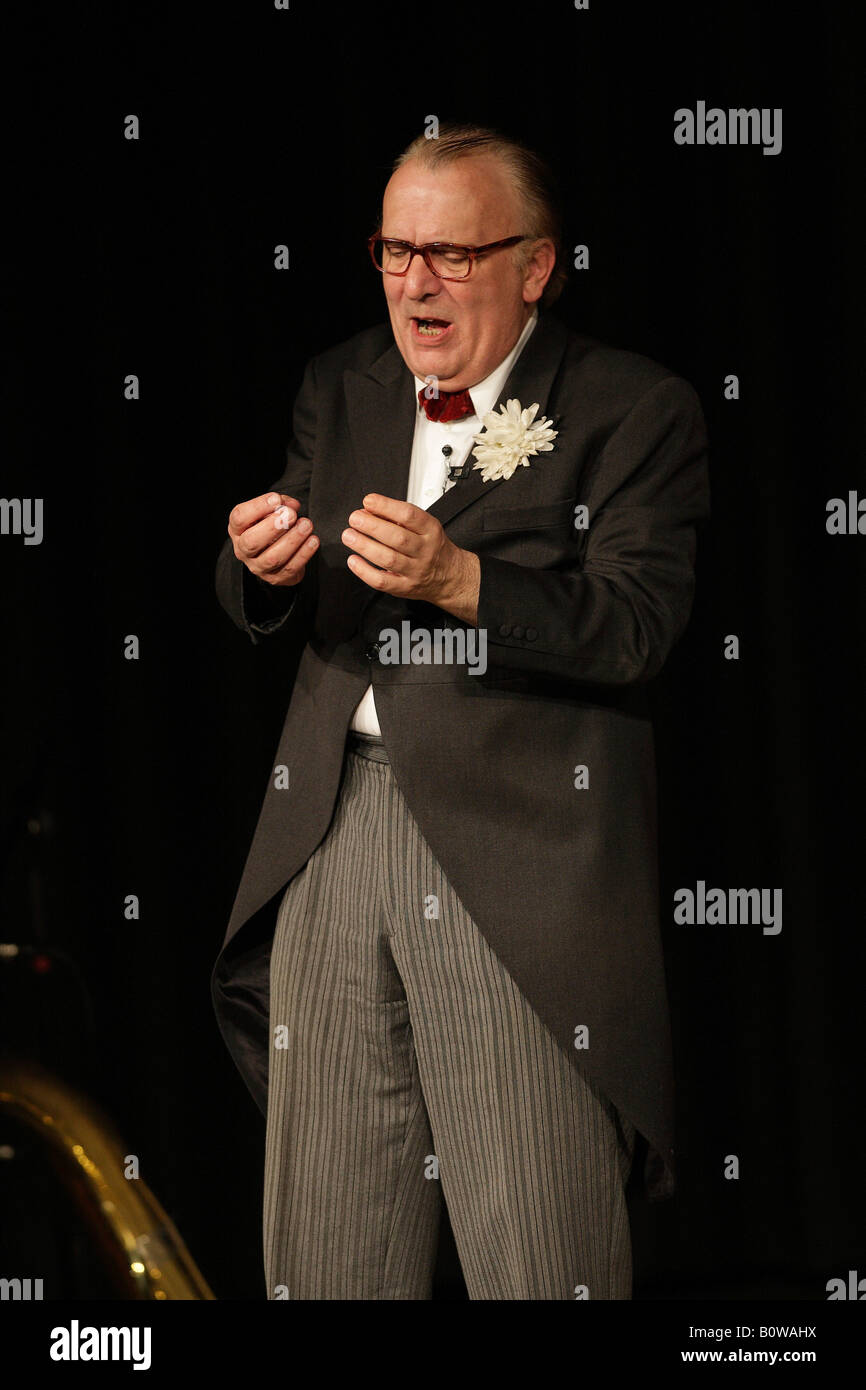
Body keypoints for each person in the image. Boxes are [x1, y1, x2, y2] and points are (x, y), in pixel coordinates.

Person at [211, 123, 710, 1300]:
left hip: (512, 852)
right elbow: (285, 569)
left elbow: (635, 624)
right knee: (325, 1250)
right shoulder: (343, 385)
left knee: (536, 1249)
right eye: (393, 252)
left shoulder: (628, 408)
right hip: (331, 833)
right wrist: (256, 570)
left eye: (450, 254)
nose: (415, 284)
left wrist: (463, 581)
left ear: (535, 266)